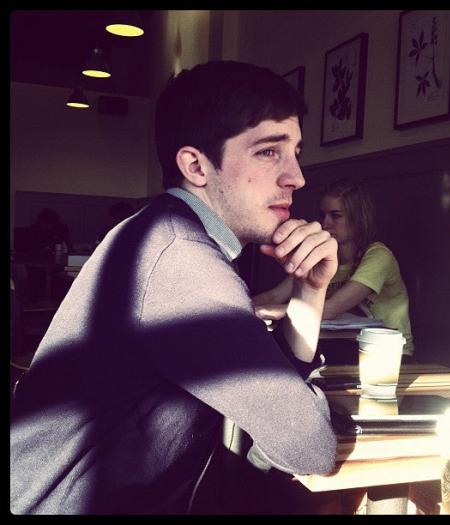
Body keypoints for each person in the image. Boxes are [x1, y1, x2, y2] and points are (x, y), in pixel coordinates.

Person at [10, 61, 339, 515]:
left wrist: (310, 289)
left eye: (295, 152)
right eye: (269, 151)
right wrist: (302, 405)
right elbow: (310, 447)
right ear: (196, 166)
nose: (296, 177)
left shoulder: (163, 234)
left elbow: (282, 408)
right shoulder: (180, 258)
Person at [253, 178, 413, 358]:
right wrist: (239, 308)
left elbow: (330, 309)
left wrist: (266, 312)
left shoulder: (379, 256)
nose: (325, 223)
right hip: (342, 347)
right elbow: (275, 296)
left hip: (390, 354)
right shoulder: (323, 256)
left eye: (335, 216)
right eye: (323, 216)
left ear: (358, 219)